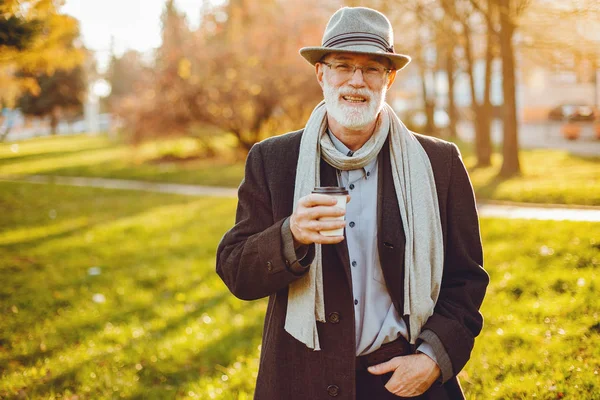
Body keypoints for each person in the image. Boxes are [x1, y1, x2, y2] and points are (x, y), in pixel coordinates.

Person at [216, 6, 488, 400]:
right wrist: (290, 234)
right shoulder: (274, 160)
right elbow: (236, 270)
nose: (356, 82)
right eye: (343, 65)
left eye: (372, 69)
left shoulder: (438, 162)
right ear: (321, 73)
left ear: (389, 78)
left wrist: (432, 358)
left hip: (404, 376)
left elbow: (466, 279)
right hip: (304, 377)